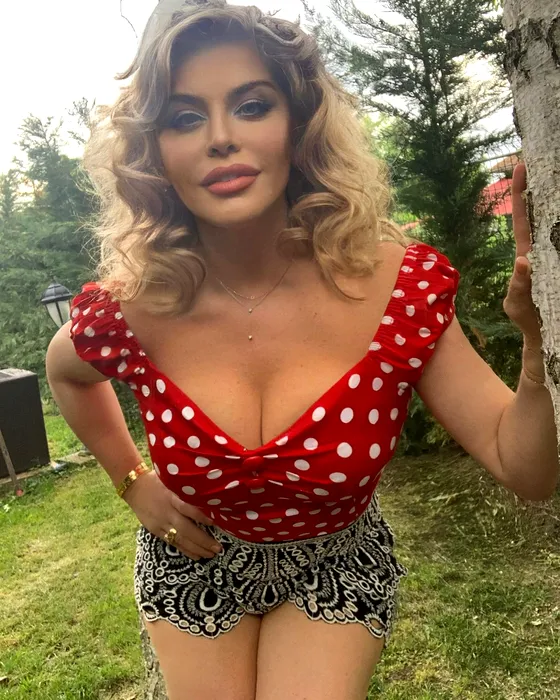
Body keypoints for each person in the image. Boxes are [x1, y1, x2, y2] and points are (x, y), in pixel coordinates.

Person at [45, 1, 558, 698]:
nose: (220, 138)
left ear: (299, 123)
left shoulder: (396, 290)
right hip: (193, 565)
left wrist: (537, 346)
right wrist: (132, 481)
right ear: (154, 153)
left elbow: (525, 468)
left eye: (252, 106)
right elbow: (66, 373)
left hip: (335, 565)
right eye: (185, 118)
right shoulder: (135, 306)